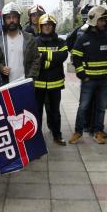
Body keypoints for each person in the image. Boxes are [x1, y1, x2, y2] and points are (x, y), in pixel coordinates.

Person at [70, 6, 107, 144]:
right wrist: (82, 75)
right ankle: (78, 132)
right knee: (83, 107)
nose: (104, 23)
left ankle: (98, 132)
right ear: (94, 21)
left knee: (101, 108)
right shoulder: (83, 38)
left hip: (105, 80)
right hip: (88, 81)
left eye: (104, 20)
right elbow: (76, 58)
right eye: (102, 20)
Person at [31, 13, 69, 145]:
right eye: (45, 25)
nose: (47, 27)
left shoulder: (60, 42)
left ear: (53, 26)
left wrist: (45, 57)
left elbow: (63, 56)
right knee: (37, 111)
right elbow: (34, 60)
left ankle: (57, 135)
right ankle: (37, 138)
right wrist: (52, 62)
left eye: (50, 25)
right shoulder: (34, 41)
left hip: (55, 83)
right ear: (41, 26)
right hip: (39, 84)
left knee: (55, 112)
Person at [0, 2, 39, 85]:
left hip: (25, 84)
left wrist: (30, 78)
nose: (11, 20)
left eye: (14, 17)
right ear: (4, 19)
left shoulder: (29, 38)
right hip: (6, 86)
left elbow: (36, 59)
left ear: (18, 18)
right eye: (8, 18)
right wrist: (1, 68)